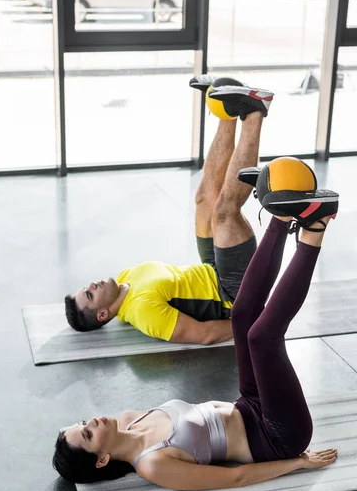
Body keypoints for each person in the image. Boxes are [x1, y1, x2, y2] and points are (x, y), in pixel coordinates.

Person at [52, 176, 339, 490]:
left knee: (243, 316)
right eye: (89, 434)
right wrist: (297, 462)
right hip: (278, 435)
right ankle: (316, 227)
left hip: (249, 402)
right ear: (102, 459)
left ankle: (282, 216)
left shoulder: (129, 418)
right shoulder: (152, 464)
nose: (92, 421)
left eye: (83, 423)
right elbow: (235, 477)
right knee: (261, 338)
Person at [64, 77, 275, 345]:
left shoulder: (126, 278)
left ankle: (228, 110)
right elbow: (205, 335)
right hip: (234, 292)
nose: (92, 285)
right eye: (90, 295)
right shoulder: (143, 312)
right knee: (224, 213)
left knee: (204, 200)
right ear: (104, 314)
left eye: (86, 288)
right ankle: (256, 110)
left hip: (212, 269)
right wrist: (253, 320)